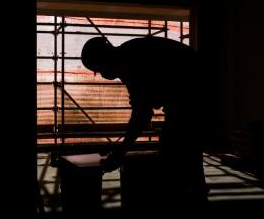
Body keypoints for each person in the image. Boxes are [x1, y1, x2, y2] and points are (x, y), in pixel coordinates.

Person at [81, 36, 209, 204]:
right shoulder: (128, 55)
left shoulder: (131, 62)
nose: (101, 74)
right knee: (184, 145)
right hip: (193, 85)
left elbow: (141, 115)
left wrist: (121, 152)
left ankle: (187, 194)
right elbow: (143, 108)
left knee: (176, 143)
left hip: (192, 90)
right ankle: (194, 190)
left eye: (98, 68)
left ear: (105, 58)